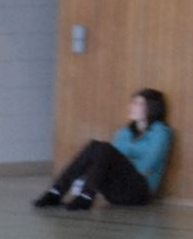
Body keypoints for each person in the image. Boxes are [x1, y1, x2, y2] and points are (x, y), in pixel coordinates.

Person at [33, 89, 172, 210]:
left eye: (139, 103)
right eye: (133, 102)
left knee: (104, 148)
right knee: (95, 146)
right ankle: (56, 192)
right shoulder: (124, 132)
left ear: (152, 107)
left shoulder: (161, 133)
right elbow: (106, 161)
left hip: (139, 191)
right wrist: (119, 163)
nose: (132, 107)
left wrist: (122, 163)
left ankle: (85, 196)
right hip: (115, 191)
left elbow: (148, 164)